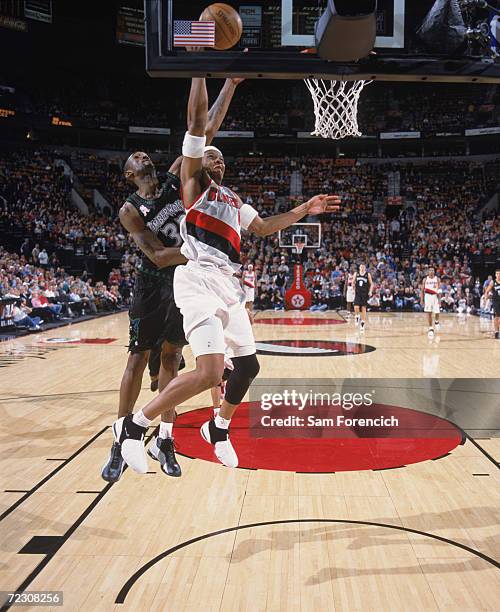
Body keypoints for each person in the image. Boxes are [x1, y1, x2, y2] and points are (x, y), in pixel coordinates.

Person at [113, 76, 340, 473]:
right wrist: (206, 72)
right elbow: (200, 125)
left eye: (221, 159)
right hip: (196, 278)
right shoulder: (192, 186)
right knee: (208, 371)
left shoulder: (233, 199)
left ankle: (217, 429)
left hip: (228, 285)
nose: (217, 161)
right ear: (197, 164)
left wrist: (305, 209)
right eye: (210, 157)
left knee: (248, 367)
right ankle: (134, 426)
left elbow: (266, 228)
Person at [102, 77, 243, 482]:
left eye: (143, 152)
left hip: (185, 281)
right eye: (134, 157)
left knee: (171, 358)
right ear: (130, 175)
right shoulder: (130, 210)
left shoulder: (171, 181)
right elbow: (159, 256)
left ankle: (165, 437)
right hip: (153, 282)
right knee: (137, 358)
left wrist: (230, 84)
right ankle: (120, 434)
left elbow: (205, 128)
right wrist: (207, 250)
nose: (141, 155)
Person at [353, 263, 372, 332]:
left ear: (365, 268)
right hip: (358, 293)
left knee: (363, 308)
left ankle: (362, 324)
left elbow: (371, 284)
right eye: (361, 267)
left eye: (363, 267)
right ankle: (357, 316)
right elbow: (353, 282)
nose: (362, 268)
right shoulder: (356, 274)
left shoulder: (368, 274)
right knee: (356, 307)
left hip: (364, 294)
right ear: (359, 268)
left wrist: (370, 291)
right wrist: (353, 288)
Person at [422, 266, 441, 337]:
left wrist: (439, 300)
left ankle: (436, 321)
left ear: (434, 271)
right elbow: (422, 290)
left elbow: (439, 290)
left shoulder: (437, 279)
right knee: (429, 312)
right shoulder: (425, 279)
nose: (431, 271)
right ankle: (431, 328)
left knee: (437, 311)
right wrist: (422, 300)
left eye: (433, 270)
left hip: (435, 296)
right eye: (430, 270)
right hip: (427, 296)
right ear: (428, 272)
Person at [483, 269, 500, 339]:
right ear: (495, 275)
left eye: (499, 273)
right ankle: (496, 331)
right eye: (497, 274)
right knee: (497, 317)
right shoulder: (493, 282)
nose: (498, 275)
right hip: (496, 301)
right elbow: (487, 291)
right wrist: (485, 299)